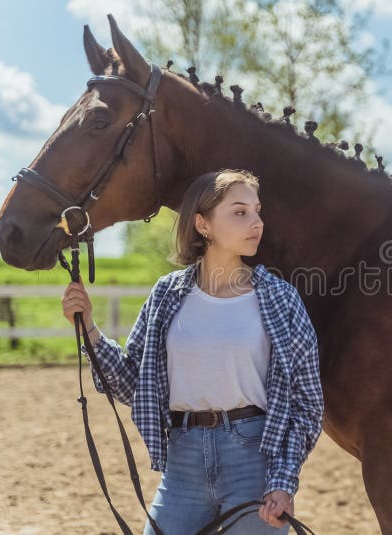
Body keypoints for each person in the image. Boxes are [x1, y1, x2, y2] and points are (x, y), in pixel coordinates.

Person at [61, 169, 324, 534]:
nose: (256, 222)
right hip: (182, 461)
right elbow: (133, 383)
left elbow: (306, 402)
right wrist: (88, 328)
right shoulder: (167, 295)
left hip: (253, 458)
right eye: (239, 212)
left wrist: (283, 480)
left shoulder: (281, 299)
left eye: (257, 211)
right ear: (203, 224)